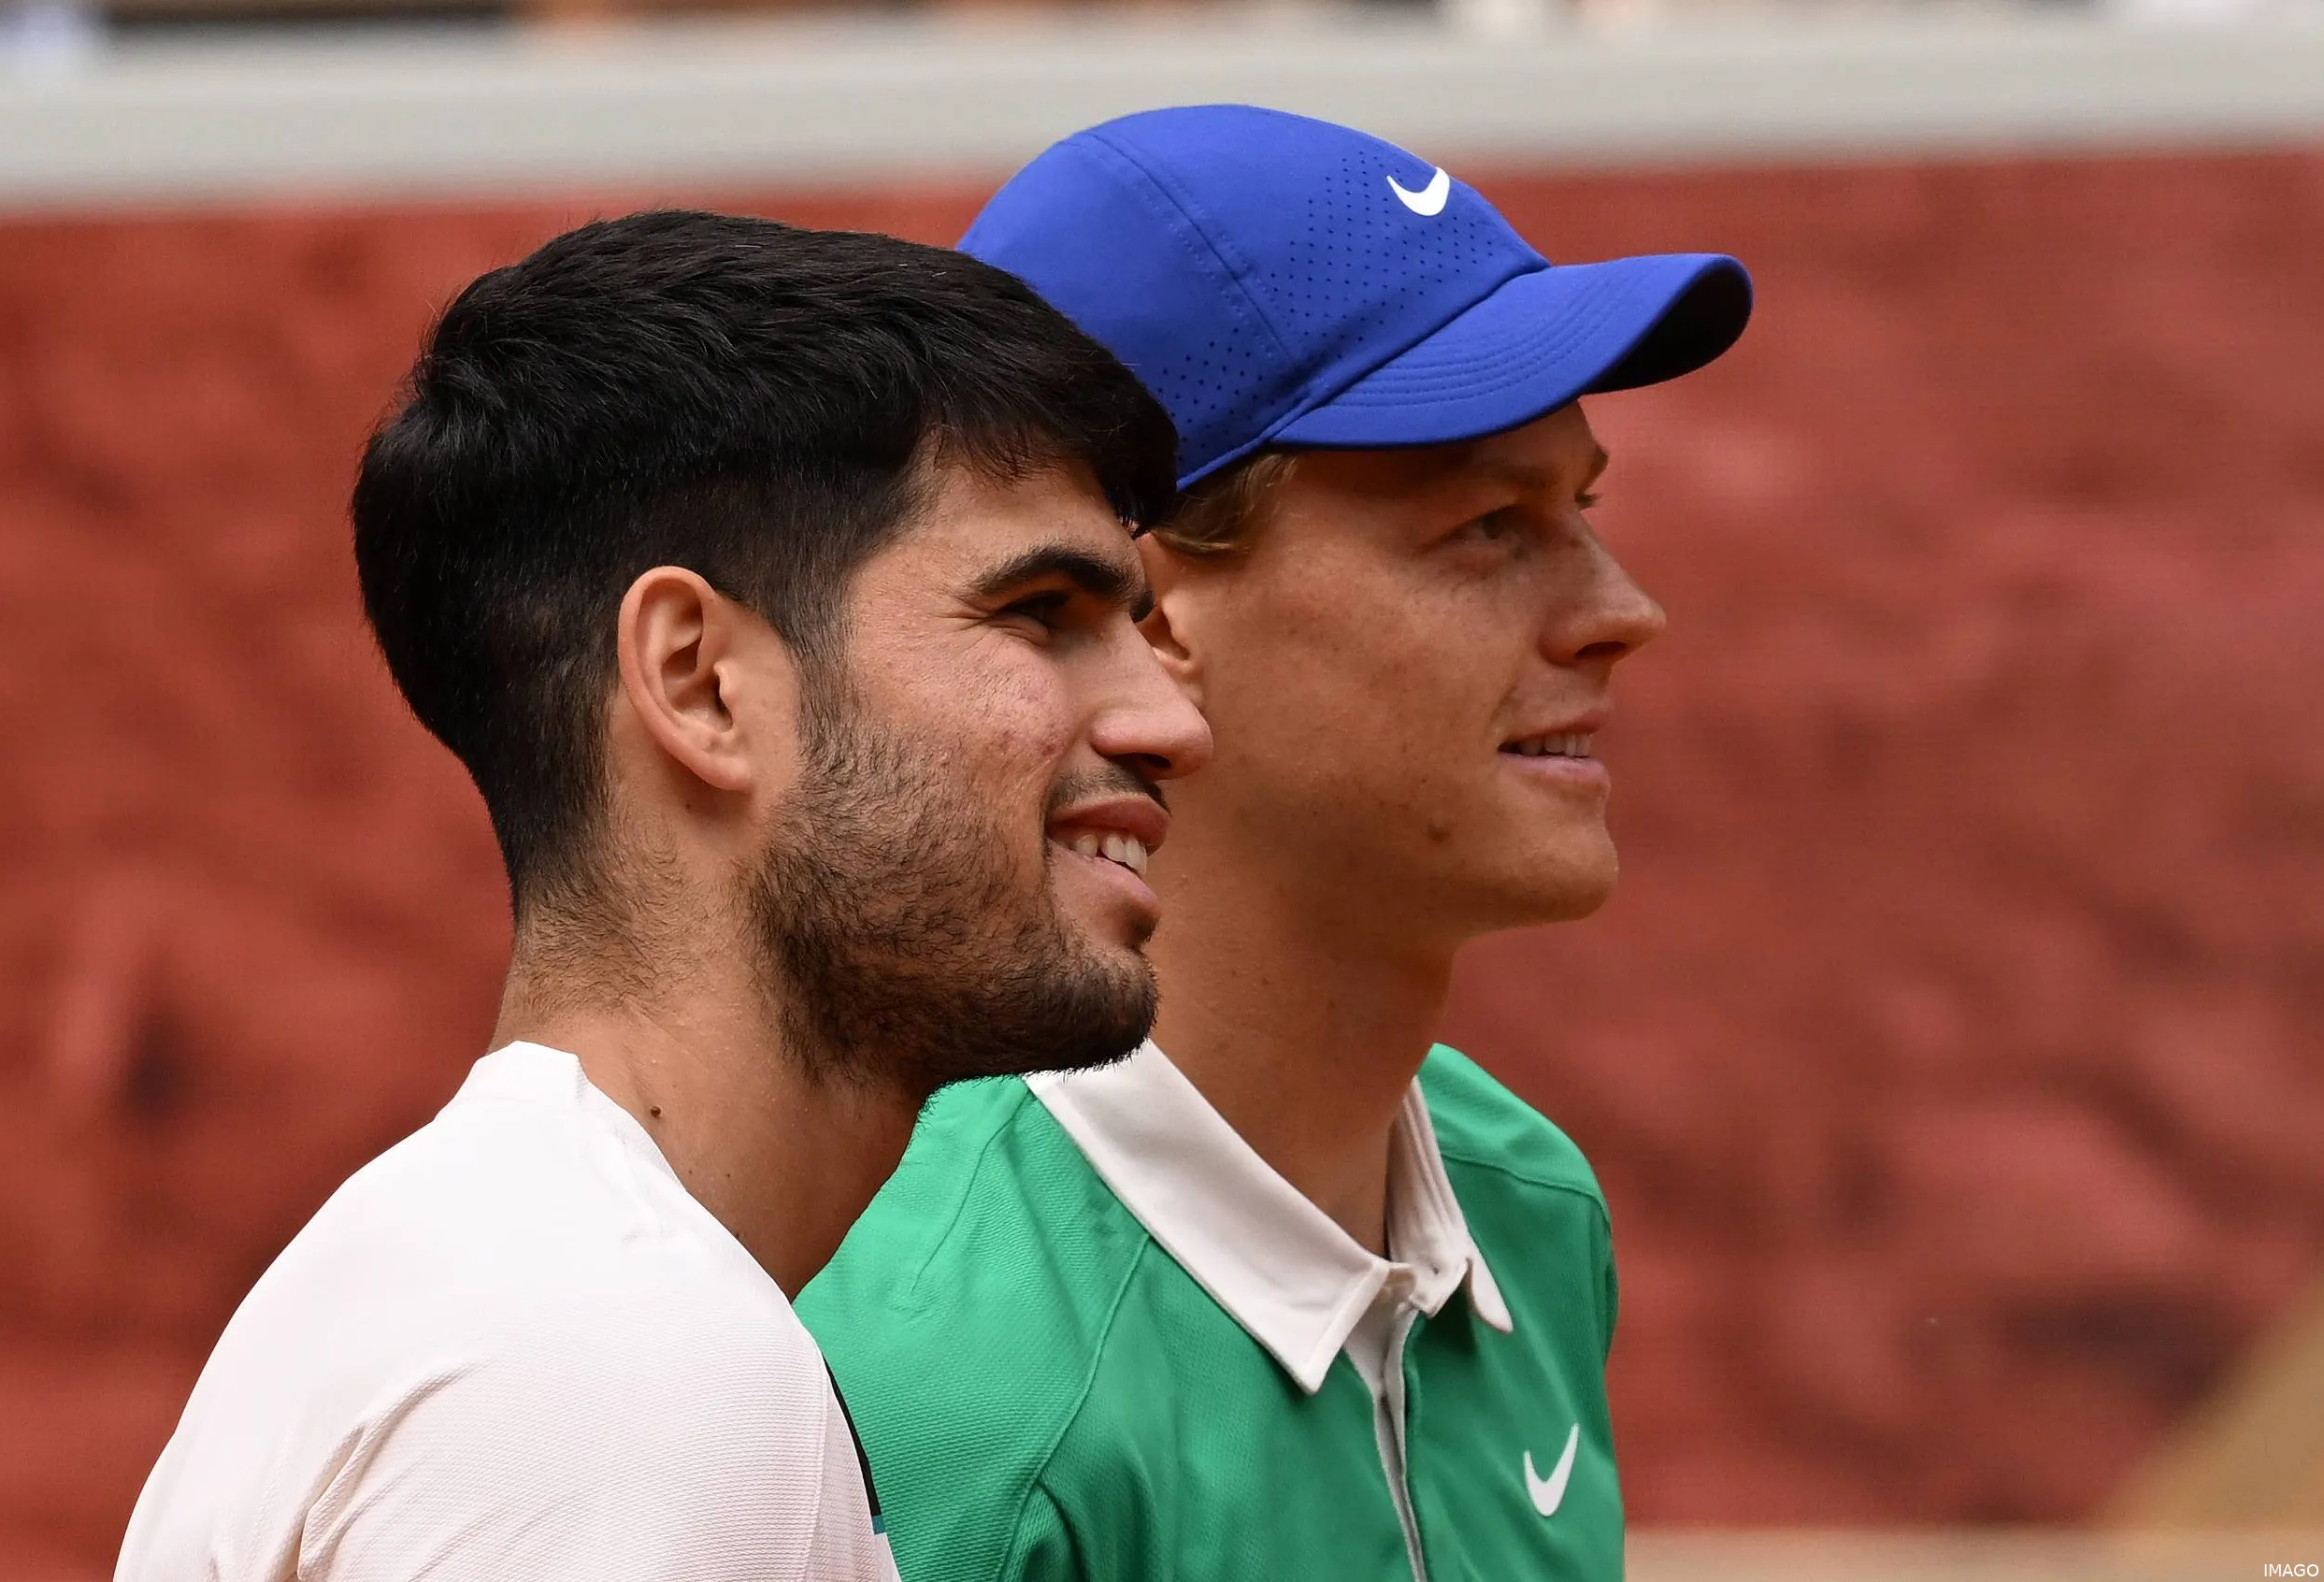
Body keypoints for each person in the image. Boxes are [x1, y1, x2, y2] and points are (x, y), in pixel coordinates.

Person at [116, 209, 1212, 1581]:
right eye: (1040, 611)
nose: (1171, 720)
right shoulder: (624, 1367)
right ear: (700, 684)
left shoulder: (521, 1287)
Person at [801, 107, 1753, 1582]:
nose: (1622, 612)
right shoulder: (932, 1388)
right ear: (1141, 612)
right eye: (1488, 527)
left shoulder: (1524, 1198)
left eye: (1581, 506)